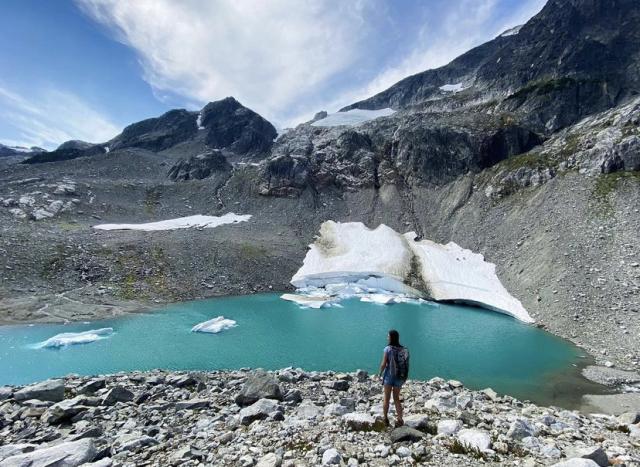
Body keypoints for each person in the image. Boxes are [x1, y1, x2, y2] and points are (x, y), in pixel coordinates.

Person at [378, 329, 409, 427]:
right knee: (396, 398)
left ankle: (385, 419)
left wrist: (379, 373)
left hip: (389, 376)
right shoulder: (404, 350)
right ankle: (400, 420)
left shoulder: (387, 349)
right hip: (400, 377)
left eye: (388, 336)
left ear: (391, 337)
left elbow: (383, 364)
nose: (387, 337)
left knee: (386, 398)